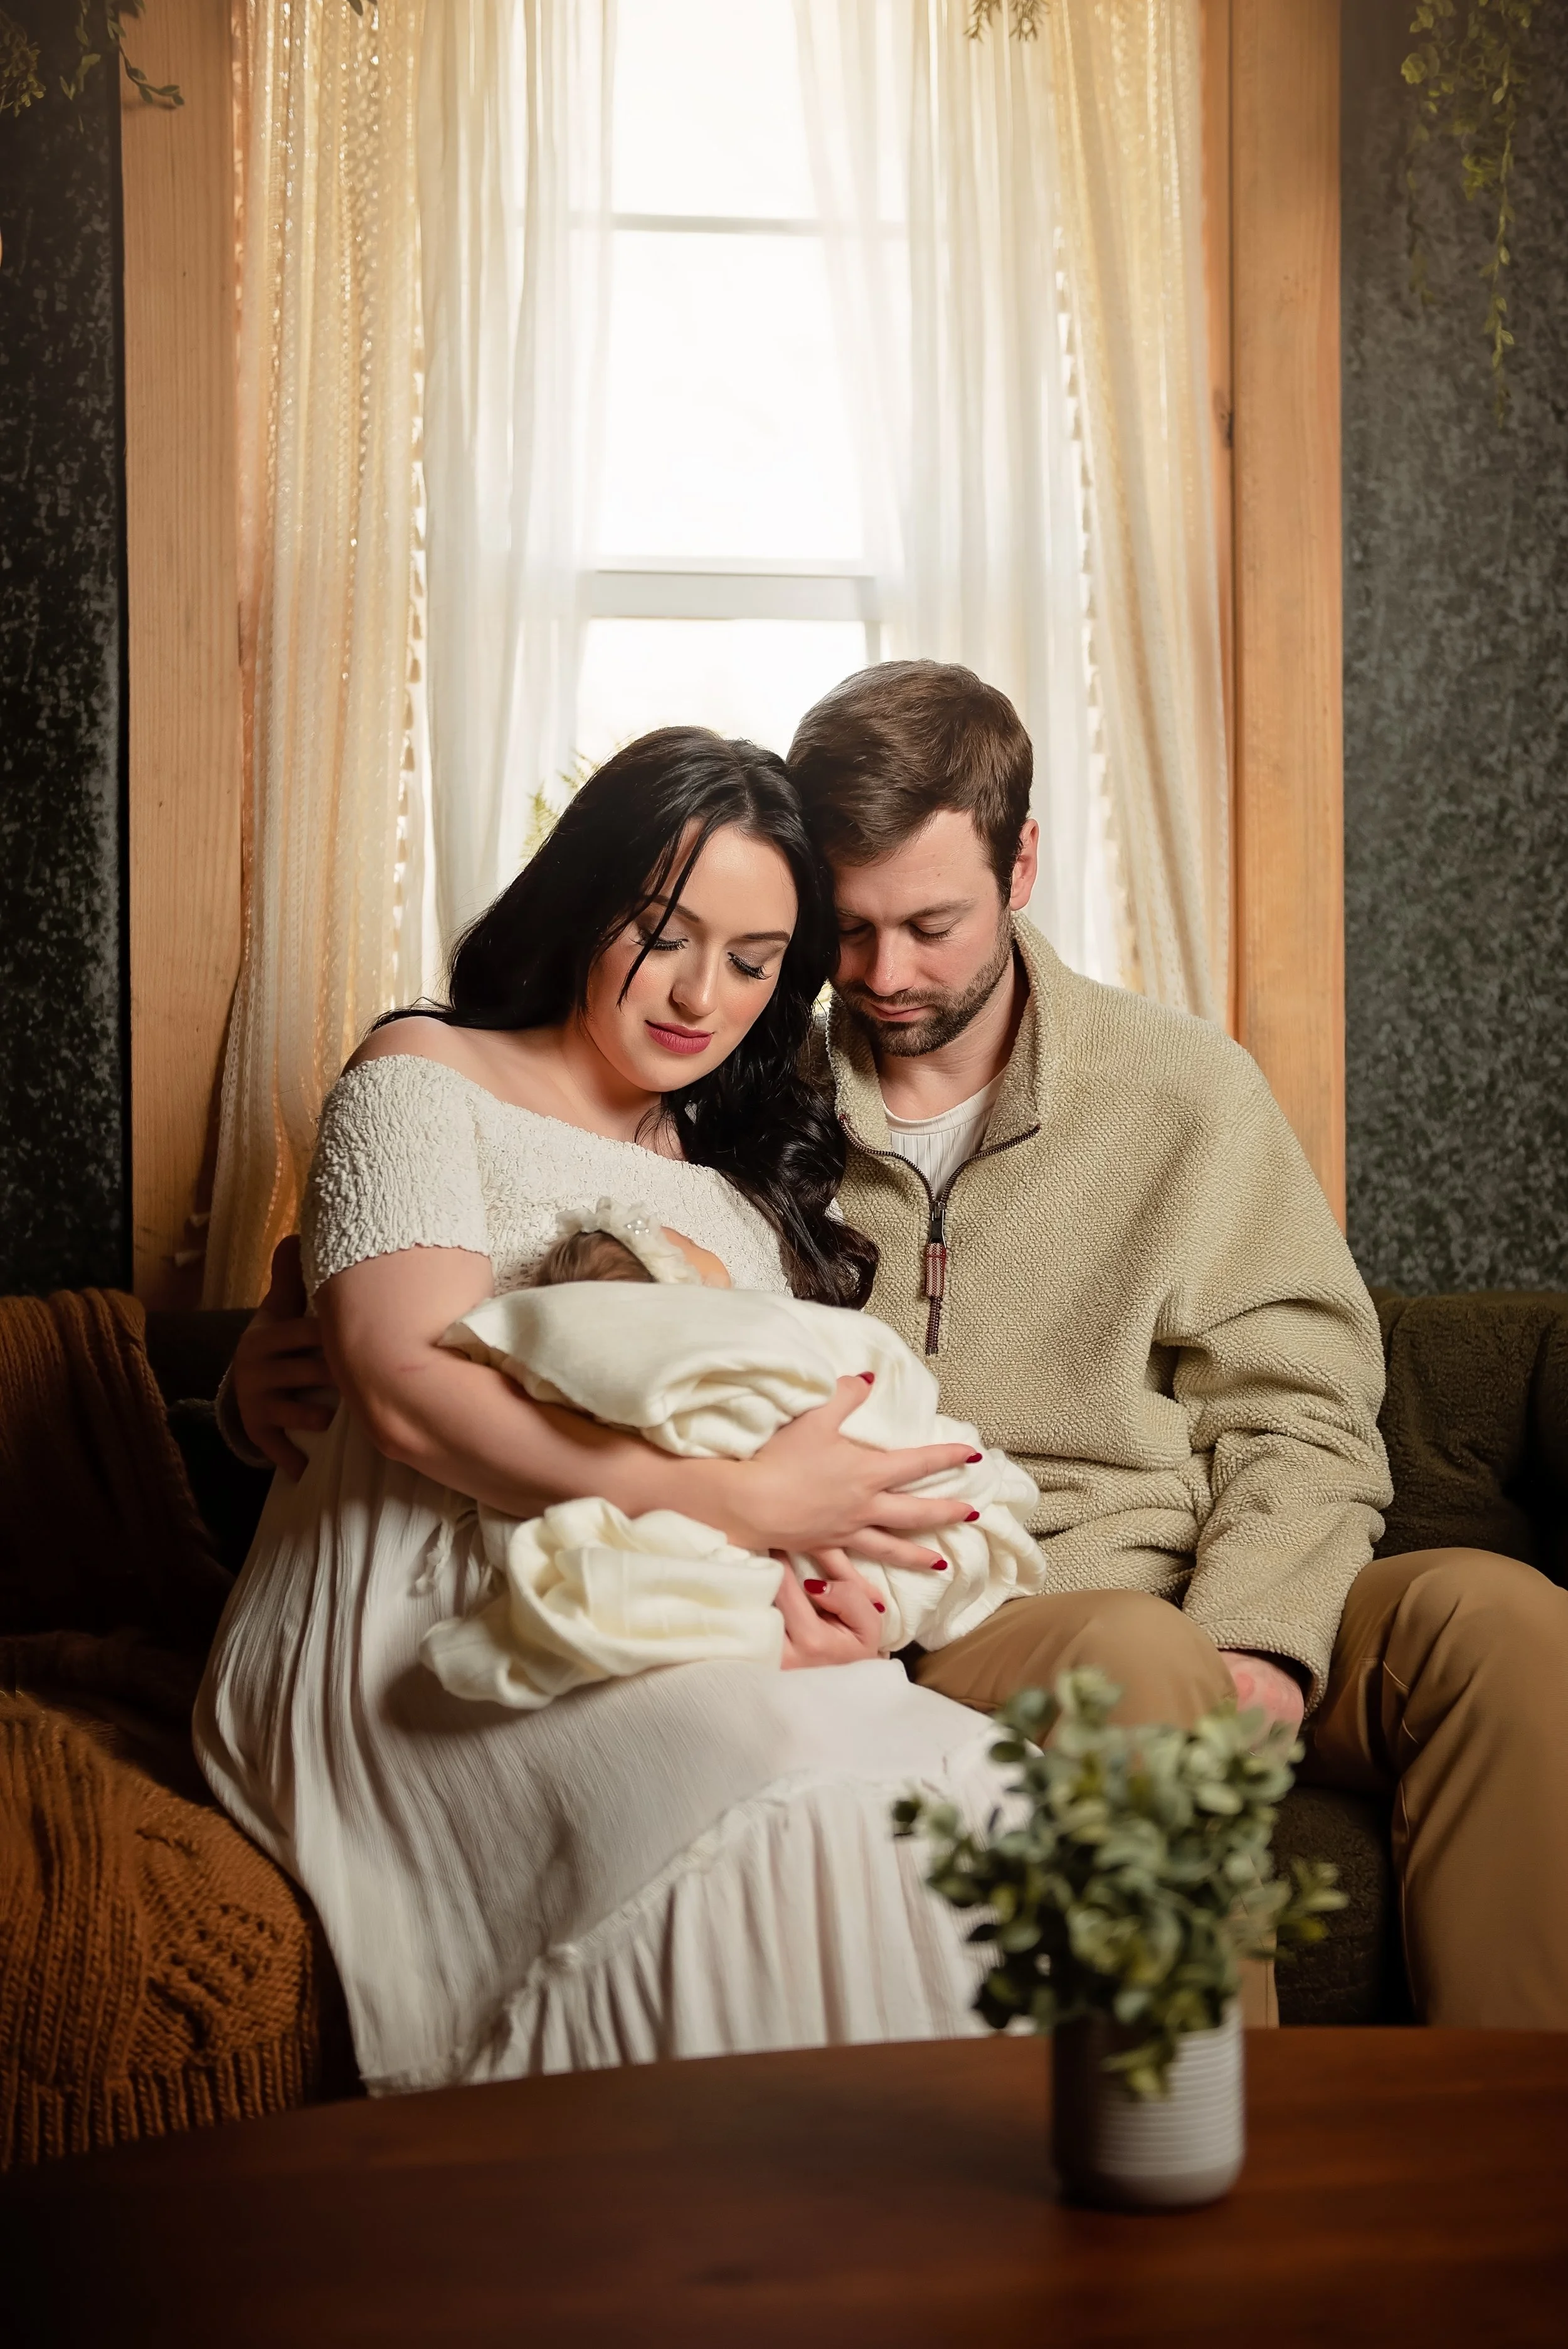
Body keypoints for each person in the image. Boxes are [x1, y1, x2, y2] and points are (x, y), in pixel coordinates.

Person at [233, 663, 1568, 2030]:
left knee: (1500, 1620)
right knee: (1139, 1661)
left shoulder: (1183, 1092)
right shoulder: (751, 1099)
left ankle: (1511, 2151)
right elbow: (532, 1265)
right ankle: (1200, 2163)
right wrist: (283, 1345)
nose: (883, 976)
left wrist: (1266, 1642)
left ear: (1021, 863)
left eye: (930, 925)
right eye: (846, 934)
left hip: (1201, 1575)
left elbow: (1301, 1406)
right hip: (982, 1593)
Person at [196, 729, 1017, 2097]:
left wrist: (833, 1589)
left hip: (672, 1601)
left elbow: (785, 1431)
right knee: (764, 1785)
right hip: (424, 1605)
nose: (703, 993)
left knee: (979, 1790)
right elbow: (403, 1393)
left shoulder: (736, 1189)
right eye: (663, 933)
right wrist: (746, 1507)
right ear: (584, 901)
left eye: (754, 962)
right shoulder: (422, 1076)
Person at [416, 1194, 1047, 1710]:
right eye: (678, 1245)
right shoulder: (702, 1326)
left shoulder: (769, 1145)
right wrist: (752, 1495)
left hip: (851, 1586)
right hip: (789, 1597)